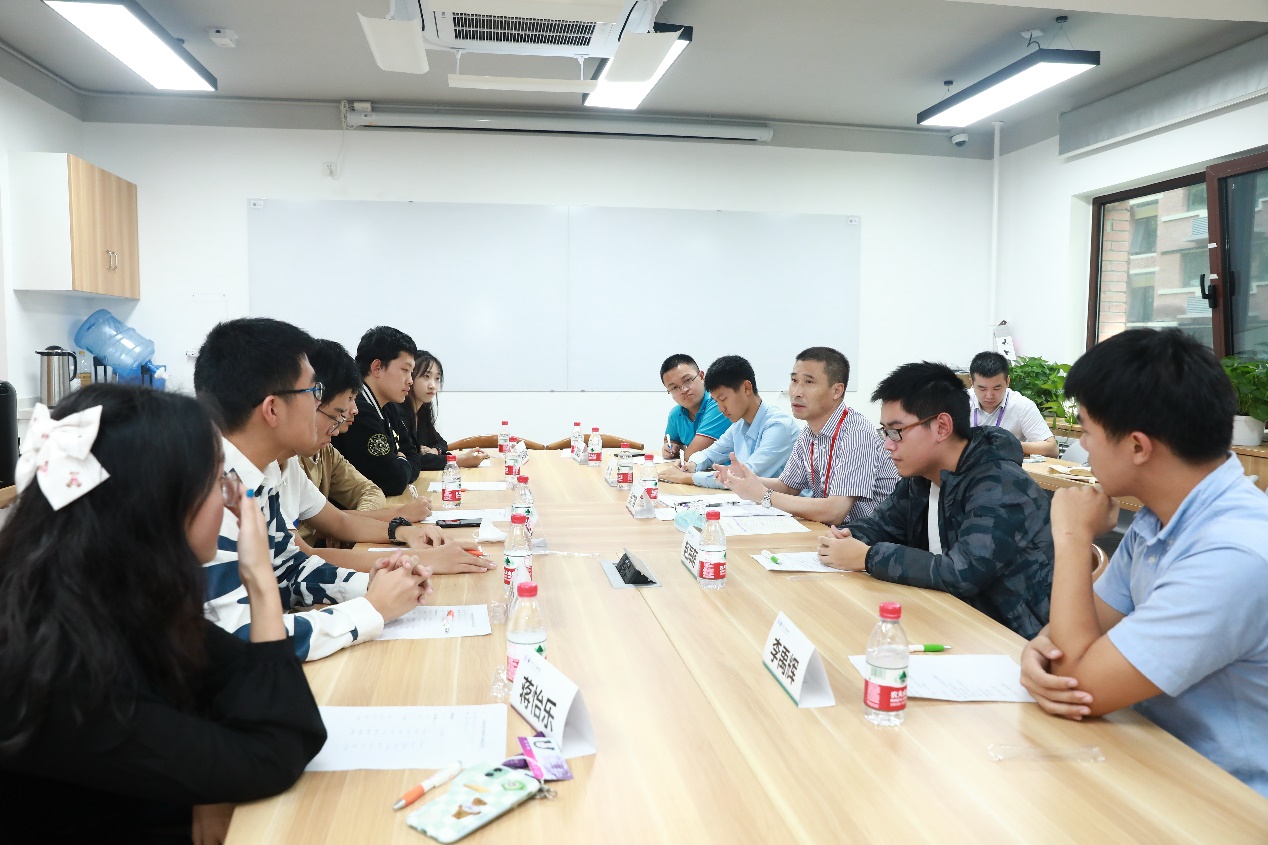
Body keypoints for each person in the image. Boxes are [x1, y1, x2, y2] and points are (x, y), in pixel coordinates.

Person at [0, 386, 326, 843]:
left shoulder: (111, 595)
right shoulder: (60, 665)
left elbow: (243, 684)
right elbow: (276, 749)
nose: (229, 500)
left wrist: (209, 791)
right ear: (159, 505)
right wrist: (260, 582)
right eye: (215, 481)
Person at [1019, 329, 1268, 798]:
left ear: (1137, 446)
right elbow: (1076, 636)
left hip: (1227, 802)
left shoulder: (1233, 554)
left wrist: (1071, 537)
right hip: (1150, 762)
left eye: (1087, 431)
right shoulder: (1159, 517)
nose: (1083, 446)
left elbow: (1078, 683)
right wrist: (1039, 650)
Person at [195, 317, 434, 661]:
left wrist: (370, 583)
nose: (340, 413)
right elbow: (242, 642)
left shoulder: (261, 472)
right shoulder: (210, 491)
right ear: (272, 409)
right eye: (314, 393)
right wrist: (371, 609)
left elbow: (287, 570)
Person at [817, 362, 1054, 639]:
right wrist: (845, 537)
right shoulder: (922, 477)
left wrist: (868, 557)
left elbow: (963, 573)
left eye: (896, 432)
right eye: (885, 432)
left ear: (942, 427)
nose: (888, 444)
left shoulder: (1001, 484)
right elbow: (881, 525)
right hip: (947, 621)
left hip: (1011, 639)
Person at [277, 340, 492, 576]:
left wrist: (403, 531)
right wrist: (419, 555)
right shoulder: (260, 474)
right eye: (338, 412)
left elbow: (339, 521)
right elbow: (302, 556)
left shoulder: (294, 462)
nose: (352, 412)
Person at [722, 347, 898, 526]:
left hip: (868, 538)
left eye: (809, 382)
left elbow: (835, 511)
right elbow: (788, 486)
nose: (796, 392)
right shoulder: (808, 433)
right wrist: (745, 479)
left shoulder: (856, 434)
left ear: (837, 391)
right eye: (794, 380)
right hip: (833, 533)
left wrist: (764, 495)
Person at [658, 354, 798, 489]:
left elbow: (745, 477)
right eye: (716, 401)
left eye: (723, 399)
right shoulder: (739, 425)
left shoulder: (778, 426)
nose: (720, 408)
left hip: (785, 504)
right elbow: (709, 453)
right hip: (752, 500)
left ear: (746, 388)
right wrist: (692, 465)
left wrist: (687, 478)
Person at [334, 326, 426, 497]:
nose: (410, 380)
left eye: (411, 372)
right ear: (377, 368)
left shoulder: (388, 406)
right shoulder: (359, 410)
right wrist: (401, 460)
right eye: (405, 370)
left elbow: (414, 455)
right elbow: (393, 480)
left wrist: (401, 462)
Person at [402, 350, 487, 470]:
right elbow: (413, 459)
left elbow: (441, 443)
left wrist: (435, 451)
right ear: (410, 376)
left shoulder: (422, 411)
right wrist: (459, 460)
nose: (433, 385)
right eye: (426, 376)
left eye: (437, 378)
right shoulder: (398, 412)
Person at [967, 351, 1058, 457]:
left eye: (997, 388)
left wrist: (1008, 444)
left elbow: (1052, 449)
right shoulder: (961, 402)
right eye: (982, 389)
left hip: (1004, 465)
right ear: (972, 382)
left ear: (1007, 382)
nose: (989, 396)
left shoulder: (1022, 406)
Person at [660, 354, 730, 461]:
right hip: (699, 470)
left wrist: (683, 454)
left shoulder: (718, 404)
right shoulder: (675, 414)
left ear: (702, 377)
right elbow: (671, 441)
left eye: (687, 380)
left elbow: (693, 455)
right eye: (674, 387)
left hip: (730, 470)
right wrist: (672, 447)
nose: (683, 390)